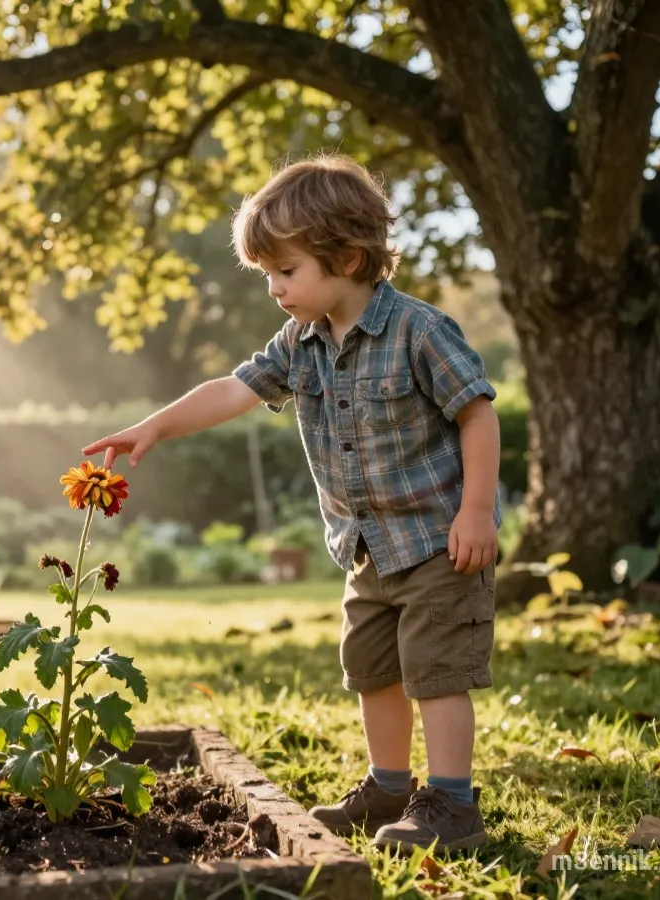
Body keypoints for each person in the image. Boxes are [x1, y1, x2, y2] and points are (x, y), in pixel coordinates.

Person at [81, 154, 500, 852]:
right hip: (366, 549)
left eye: (286, 270)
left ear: (348, 256)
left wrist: (478, 510)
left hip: (436, 542)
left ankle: (453, 805)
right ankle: (389, 786)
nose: (274, 288)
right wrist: (154, 423)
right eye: (267, 273)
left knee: (438, 672)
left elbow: (477, 413)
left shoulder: (419, 331)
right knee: (373, 670)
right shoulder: (300, 342)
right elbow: (232, 389)